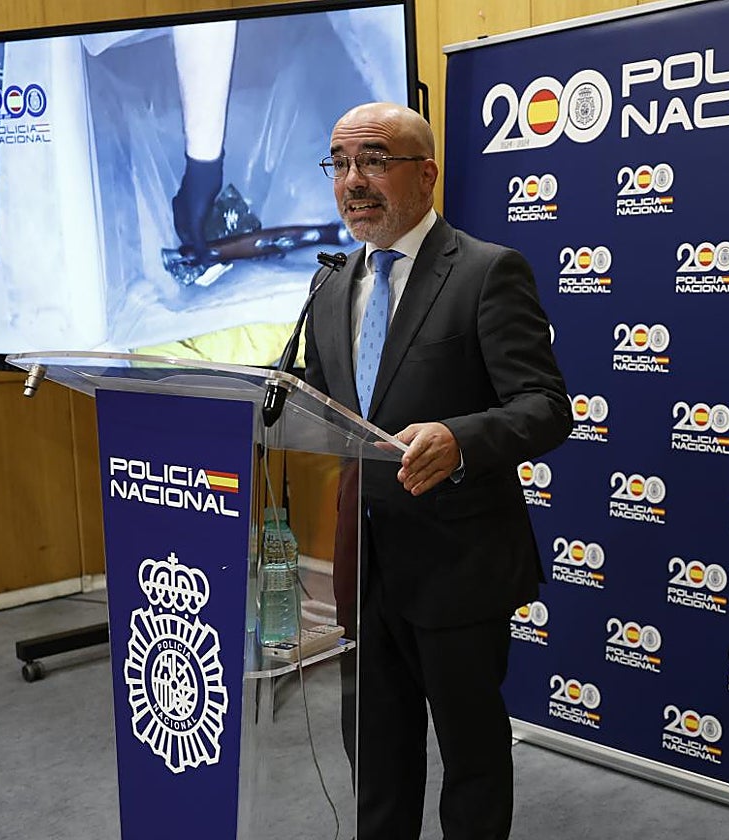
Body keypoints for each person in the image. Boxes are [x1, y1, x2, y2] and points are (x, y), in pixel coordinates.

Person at [303, 102, 570, 840]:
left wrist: (459, 436)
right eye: (340, 162)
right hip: (363, 565)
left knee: (472, 758)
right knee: (377, 756)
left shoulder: (487, 271)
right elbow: (314, 398)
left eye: (375, 160)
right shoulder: (329, 283)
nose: (354, 180)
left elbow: (546, 407)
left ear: (425, 174)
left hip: (459, 563)